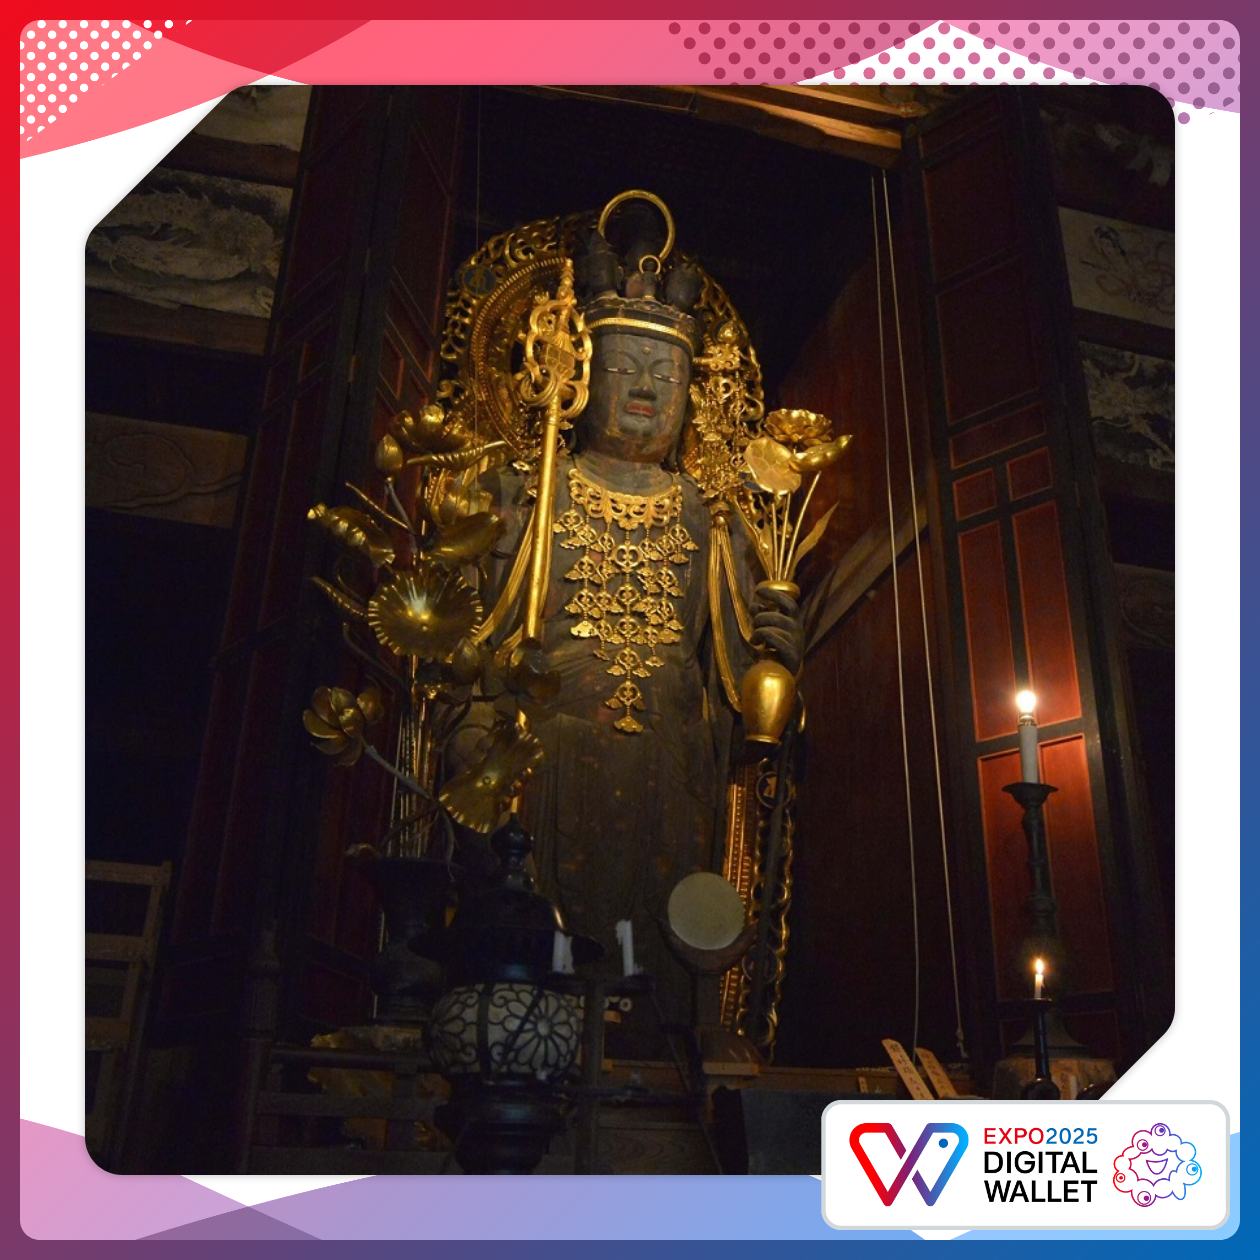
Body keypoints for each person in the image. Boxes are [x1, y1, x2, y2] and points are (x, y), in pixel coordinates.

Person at [443, 199, 802, 1046]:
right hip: (552, 758)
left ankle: (661, 1057)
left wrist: (774, 651)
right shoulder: (527, 491)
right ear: (578, 372)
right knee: (544, 957)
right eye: (627, 365)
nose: (646, 387)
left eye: (666, 374)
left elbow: (730, 676)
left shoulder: (705, 517)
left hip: (668, 772)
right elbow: (473, 644)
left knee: (656, 961)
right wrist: (484, 713)